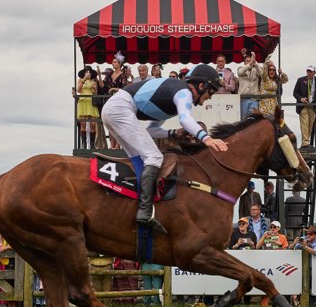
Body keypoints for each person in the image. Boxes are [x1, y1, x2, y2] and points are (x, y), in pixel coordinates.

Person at [100, 64, 228, 231]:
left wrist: (175, 133)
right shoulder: (184, 93)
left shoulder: (173, 97)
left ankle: (141, 208)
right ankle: (144, 213)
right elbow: (186, 119)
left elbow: (152, 130)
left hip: (116, 109)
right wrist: (207, 138)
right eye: (210, 93)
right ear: (201, 86)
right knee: (155, 157)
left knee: (143, 159)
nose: (208, 99)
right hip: (119, 109)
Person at [292, 66, 316, 147]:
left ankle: (305, 142)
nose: (308, 73)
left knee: (310, 124)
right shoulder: (301, 80)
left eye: (310, 71)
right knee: (304, 123)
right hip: (303, 105)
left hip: (313, 106)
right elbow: (295, 93)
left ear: (314, 73)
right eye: (307, 71)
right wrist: (301, 99)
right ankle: (305, 142)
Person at [74, 67, 100, 150]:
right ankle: (84, 144)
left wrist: (94, 88)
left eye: (89, 72)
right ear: (84, 73)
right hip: (83, 101)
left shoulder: (93, 81)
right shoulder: (80, 80)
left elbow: (95, 93)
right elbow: (78, 90)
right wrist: (83, 80)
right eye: (87, 72)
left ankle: (92, 144)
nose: (88, 73)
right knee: (83, 123)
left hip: (91, 101)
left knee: (93, 124)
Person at [235, 49, 262, 117]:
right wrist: (249, 64)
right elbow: (240, 73)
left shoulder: (256, 70)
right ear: (244, 62)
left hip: (254, 99)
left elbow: (262, 73)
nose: (249, 62)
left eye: (250, 61)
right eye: (247, 61)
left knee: (254, 120)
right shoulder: (240, 68)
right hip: (243, 99)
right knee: (244, 120)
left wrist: (255, 62)